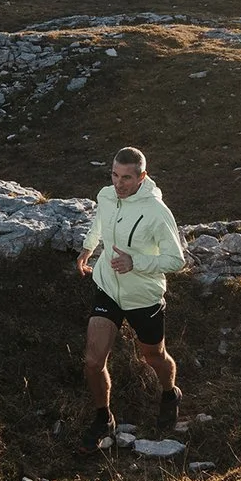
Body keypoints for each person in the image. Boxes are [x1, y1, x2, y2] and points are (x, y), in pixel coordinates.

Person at [76, 145, 187, 450]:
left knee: (154, 357)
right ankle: (104, 418)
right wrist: (88, 247)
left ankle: (170, 393)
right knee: (93, 361)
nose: (118, 183)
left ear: (142, 176)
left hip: (143, 296)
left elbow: (176, 260)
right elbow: (101, 221)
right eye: (114, 175)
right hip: (108, 287)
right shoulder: (106, 196)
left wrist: (135, 262)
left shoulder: (156, 211)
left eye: (126, 177)